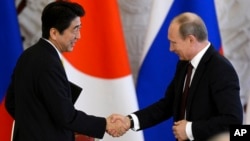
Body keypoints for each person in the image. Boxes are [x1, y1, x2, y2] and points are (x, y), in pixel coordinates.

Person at [5, 1, 127, 141]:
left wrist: (36, 125)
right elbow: (66, 116)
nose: (79, 36)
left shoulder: (28, 55)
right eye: (75, 29)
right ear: (54, 33)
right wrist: (104, 124)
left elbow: (11, 102)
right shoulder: (48, 63)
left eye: (79, 28)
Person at [111, 12, 243, 141]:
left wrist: (190, 129)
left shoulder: (220, 69)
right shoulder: (184, 65)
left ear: (191, 39)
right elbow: (167, 105)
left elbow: (233, 121)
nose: (171, 49)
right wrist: (130, 121)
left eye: (174, 42)